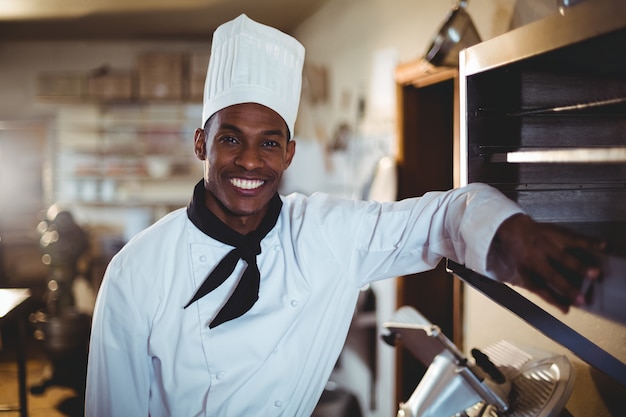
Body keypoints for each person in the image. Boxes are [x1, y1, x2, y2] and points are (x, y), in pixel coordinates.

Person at [85, 13, 605, 417]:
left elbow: (442, 216)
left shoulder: (326, 233)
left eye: (268, 143)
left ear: (289, 153)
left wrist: (514, 230)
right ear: (201, 142)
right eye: (230, 139)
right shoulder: (137, 270)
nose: (249, 161)